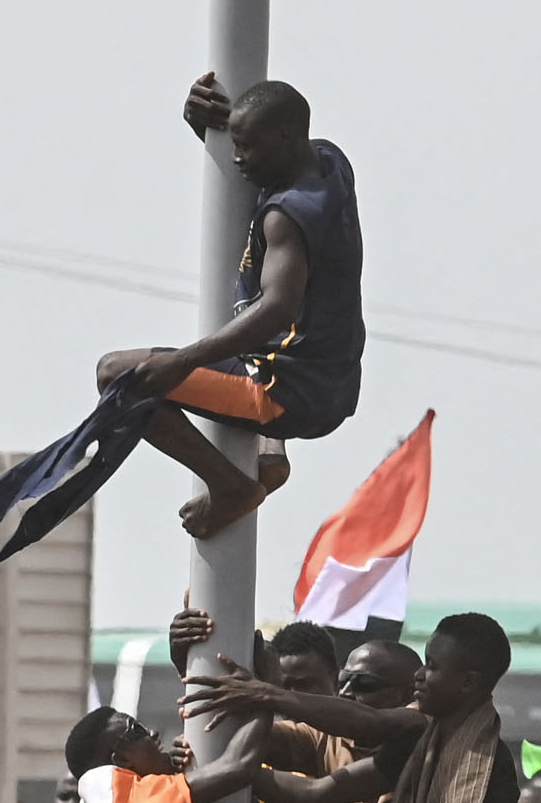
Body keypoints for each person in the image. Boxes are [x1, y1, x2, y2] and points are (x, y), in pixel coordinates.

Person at [94, 74, 364, 543]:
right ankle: (268, 452)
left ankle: (232, 486)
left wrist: (180, 361)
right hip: (329, 382)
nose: (237, 158)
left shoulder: (288, 217)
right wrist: (213, 128)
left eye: (247, 147)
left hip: (284, 390)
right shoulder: (329, 160)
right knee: (231, 345)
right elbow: (266, 147)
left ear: (283, 139)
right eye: (235, 143)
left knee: (117, 375)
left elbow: (277, 309)